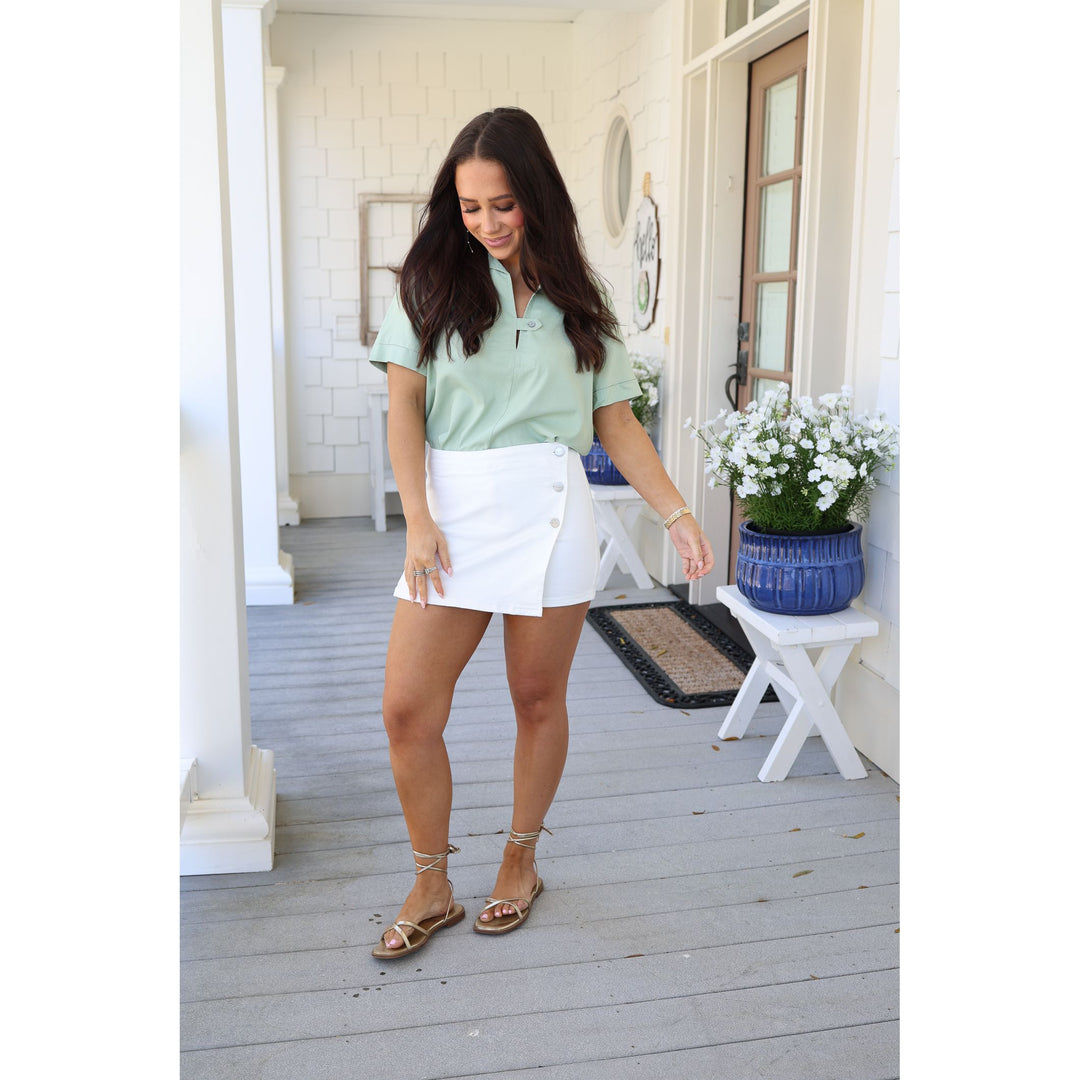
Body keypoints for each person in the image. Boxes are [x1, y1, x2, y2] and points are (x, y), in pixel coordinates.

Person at [368, 107, 713, 960]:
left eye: (503, 204)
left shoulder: (581, 299)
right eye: (470, 206)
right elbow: (404, 409)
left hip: (552, 509)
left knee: (536, 699)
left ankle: (520, 862)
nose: (486, 223)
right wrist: (417, 519)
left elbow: (616, 422)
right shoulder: (426, 285)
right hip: (450, 517)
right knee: (407, 710)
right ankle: (431, 883)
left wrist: (676, 512)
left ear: (538, 197)